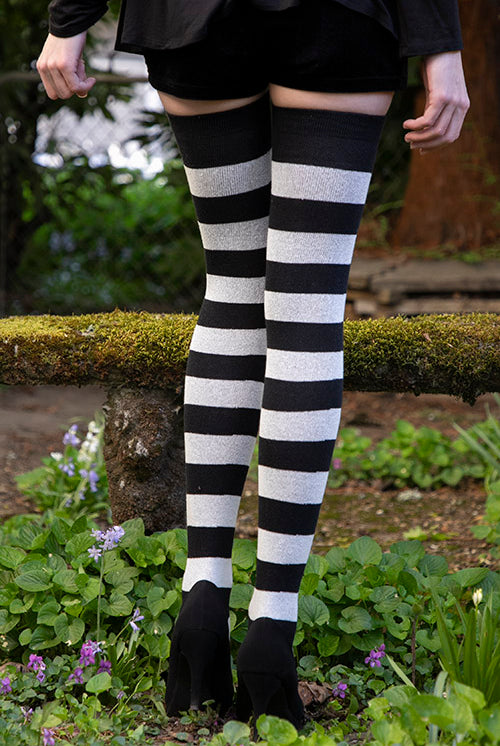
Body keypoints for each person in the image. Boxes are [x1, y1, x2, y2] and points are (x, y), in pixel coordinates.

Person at [38, 0, 469, 728]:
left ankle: (202, 599)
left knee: (233, 286)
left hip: (194, 16)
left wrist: (69, 19)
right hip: (337, 16)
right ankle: (271, 631)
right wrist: (442, 46)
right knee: (307, 305)